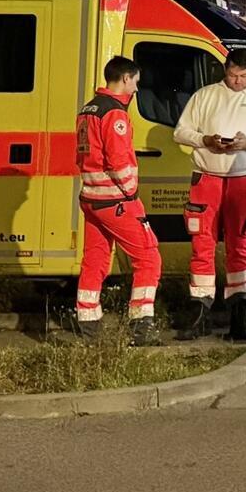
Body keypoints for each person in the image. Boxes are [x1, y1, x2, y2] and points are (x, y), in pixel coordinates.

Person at [173, 47, 246, 341]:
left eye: (243, 76)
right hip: (207, 178)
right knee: (202, 245)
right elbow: (180, 132)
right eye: (233, 75)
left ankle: (239, 315)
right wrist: (205, 139)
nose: (237, 81)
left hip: (243, 180)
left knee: (239, 245)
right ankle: (200, 313)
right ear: (225, 69)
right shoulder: (205, 96)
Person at [72, 55, 162, 345]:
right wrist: (131, 192)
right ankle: (141, 327)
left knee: (95, 260)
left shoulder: (88, 109)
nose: (136, 89)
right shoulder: (114, 113)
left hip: (91, 198)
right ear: (125, 78)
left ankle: (89, 325)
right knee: (148, 257)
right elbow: (118, 160)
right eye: (135, 82)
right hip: (116, 200)